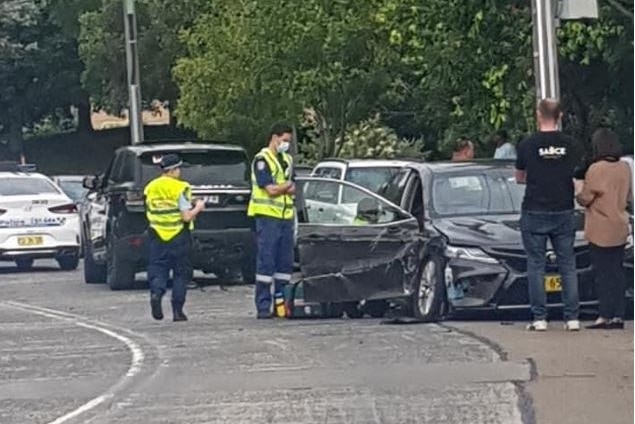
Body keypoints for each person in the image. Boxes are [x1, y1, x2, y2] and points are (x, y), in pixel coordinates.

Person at [515, 98, 580, 332]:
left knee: (536, 265)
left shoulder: (527, 144)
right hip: (563, 209)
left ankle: (540, 318)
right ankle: (572, 318)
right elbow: (576, 173)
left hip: (534, 209)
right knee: (567, 264)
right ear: (560, 115)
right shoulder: (571, 145)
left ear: (537, 115)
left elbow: (519, 177)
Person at [576, 129, 631, 330]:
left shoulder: (596, 169)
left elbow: (586, 198)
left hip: (600, 227)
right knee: (617, 272)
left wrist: (578, 190)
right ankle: (619, 314)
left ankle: (604, 315)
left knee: (601, 274)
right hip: (619, 224)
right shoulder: (624, 167)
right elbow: (629, 196)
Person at [144, 154, 205, 322]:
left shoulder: (151, 187)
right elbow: (186, 216)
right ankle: (178, 311)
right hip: (178, 235)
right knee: (181, 273)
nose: (180, 172)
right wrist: (198, 207)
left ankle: (156, 293)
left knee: (158, 269)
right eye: (178, 169)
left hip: (157, 234)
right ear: (172, 170)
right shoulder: (180, 188)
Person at [247, 122, 296, 319]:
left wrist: (283, 187)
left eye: (288, 141)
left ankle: (281, 305)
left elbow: (293, 187)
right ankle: (263, 306)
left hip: (285, 218)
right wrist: (285, 186)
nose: (286, 144)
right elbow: (270, 189)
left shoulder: (287, 160)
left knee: (284, 265)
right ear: (274, 138)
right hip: (267, 218)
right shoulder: (262, 160)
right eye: (284, 140)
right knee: (266, 264)